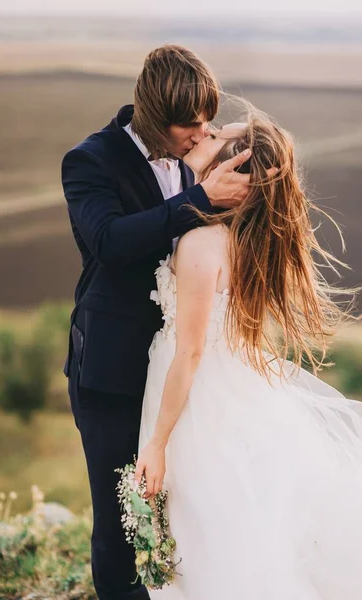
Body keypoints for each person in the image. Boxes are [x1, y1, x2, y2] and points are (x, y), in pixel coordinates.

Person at [137, 104, 362, 600]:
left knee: (206, 536)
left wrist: (156, 443)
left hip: (194, 399)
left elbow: (190, 353)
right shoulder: (247, 241)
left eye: (220, 136)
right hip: (228, 384)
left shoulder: (199, 243)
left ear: (231, 171)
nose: (207, 134)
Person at [61, 45, 259, 600]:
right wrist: (195, 194)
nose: (201, 134)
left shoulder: (194, 147)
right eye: (189, 125)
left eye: (207, 120)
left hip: (180, 371)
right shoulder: (90, 161)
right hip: (112, 367)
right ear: (150, 115)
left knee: (194, 513)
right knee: (122, 513)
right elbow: (109, 241)